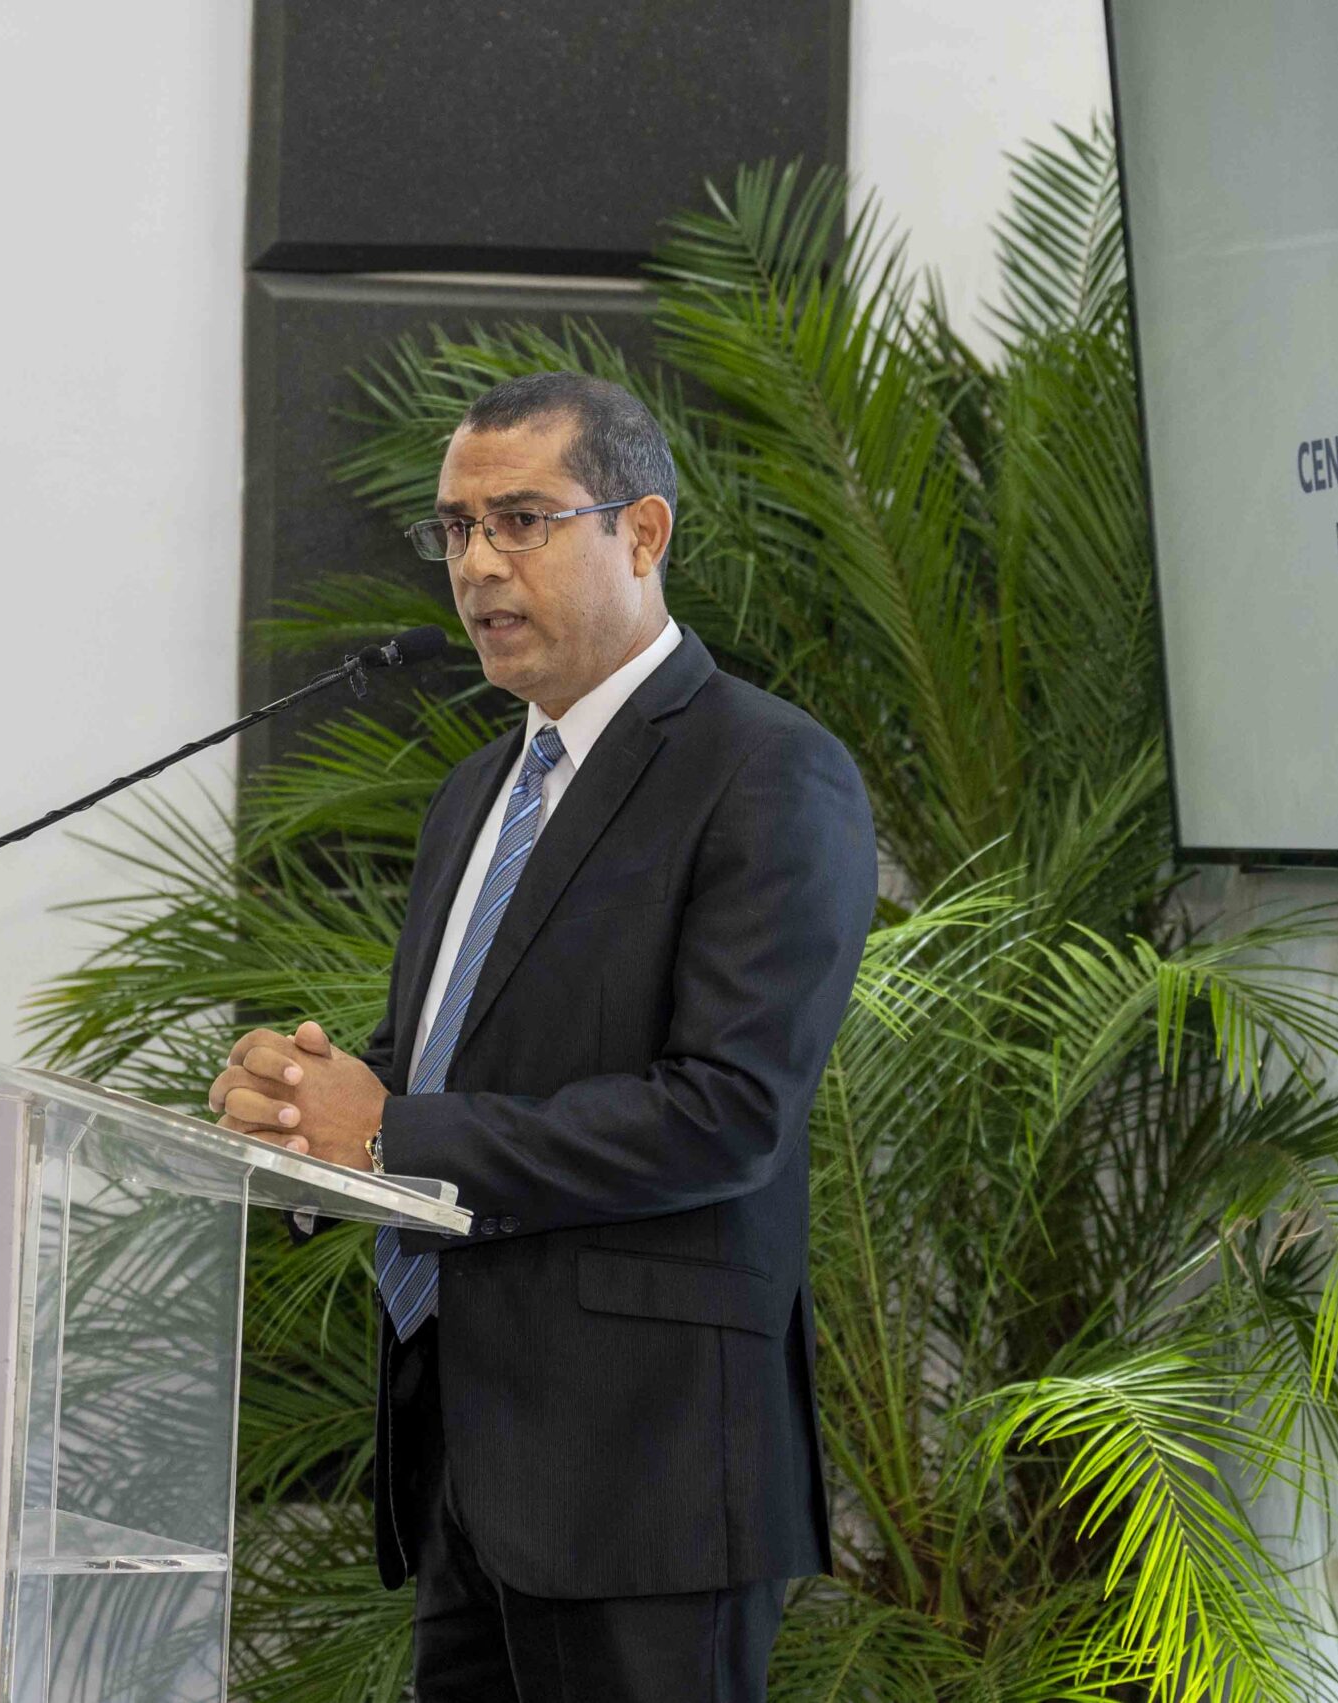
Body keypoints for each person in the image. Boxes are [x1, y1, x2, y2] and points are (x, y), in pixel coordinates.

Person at [208, 371, 877, 1703]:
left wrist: (389, 1130)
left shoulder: (765, 770)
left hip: (646, 1479)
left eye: (521, 520)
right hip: (466, 1457)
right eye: (456, 529)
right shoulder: (478, 792)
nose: (477, 564)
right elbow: (440, 1064)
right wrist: (304, 1111)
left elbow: (728, 1113)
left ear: (643, 533)